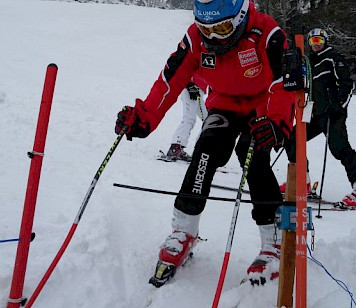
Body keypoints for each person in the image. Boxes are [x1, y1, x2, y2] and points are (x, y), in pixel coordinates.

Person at [115, 0, 295, 286]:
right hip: (224, 102)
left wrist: (277, 121)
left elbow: (286, 82)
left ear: (240, 17)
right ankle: (184, 231)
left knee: (253, 155)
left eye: (222, 28)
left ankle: (272, 238)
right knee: (205, 151)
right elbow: (169, 81)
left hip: (263, 104)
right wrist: (143, 119)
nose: (214, 37)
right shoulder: (196, 38)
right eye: (206, 29)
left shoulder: (266, 31)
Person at [282, 28, 356, 207]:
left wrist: (339, 106)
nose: (316, 45)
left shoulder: (332, 58)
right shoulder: (310, 63)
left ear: (325, 41)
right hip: (315, 112)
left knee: (339, 147)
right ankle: (302, 181)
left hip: (332, 112)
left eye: (319, 41)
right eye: (313, 42)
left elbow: (347, 83)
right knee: (293, 139)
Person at [165, 74, 208, 162]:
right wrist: (188, 83)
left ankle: (200, 150)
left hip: (198, 90)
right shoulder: (200, 59)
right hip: (191, 88)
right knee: (189, 118)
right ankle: (176, 147)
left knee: (208, 121)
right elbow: (187, 66)